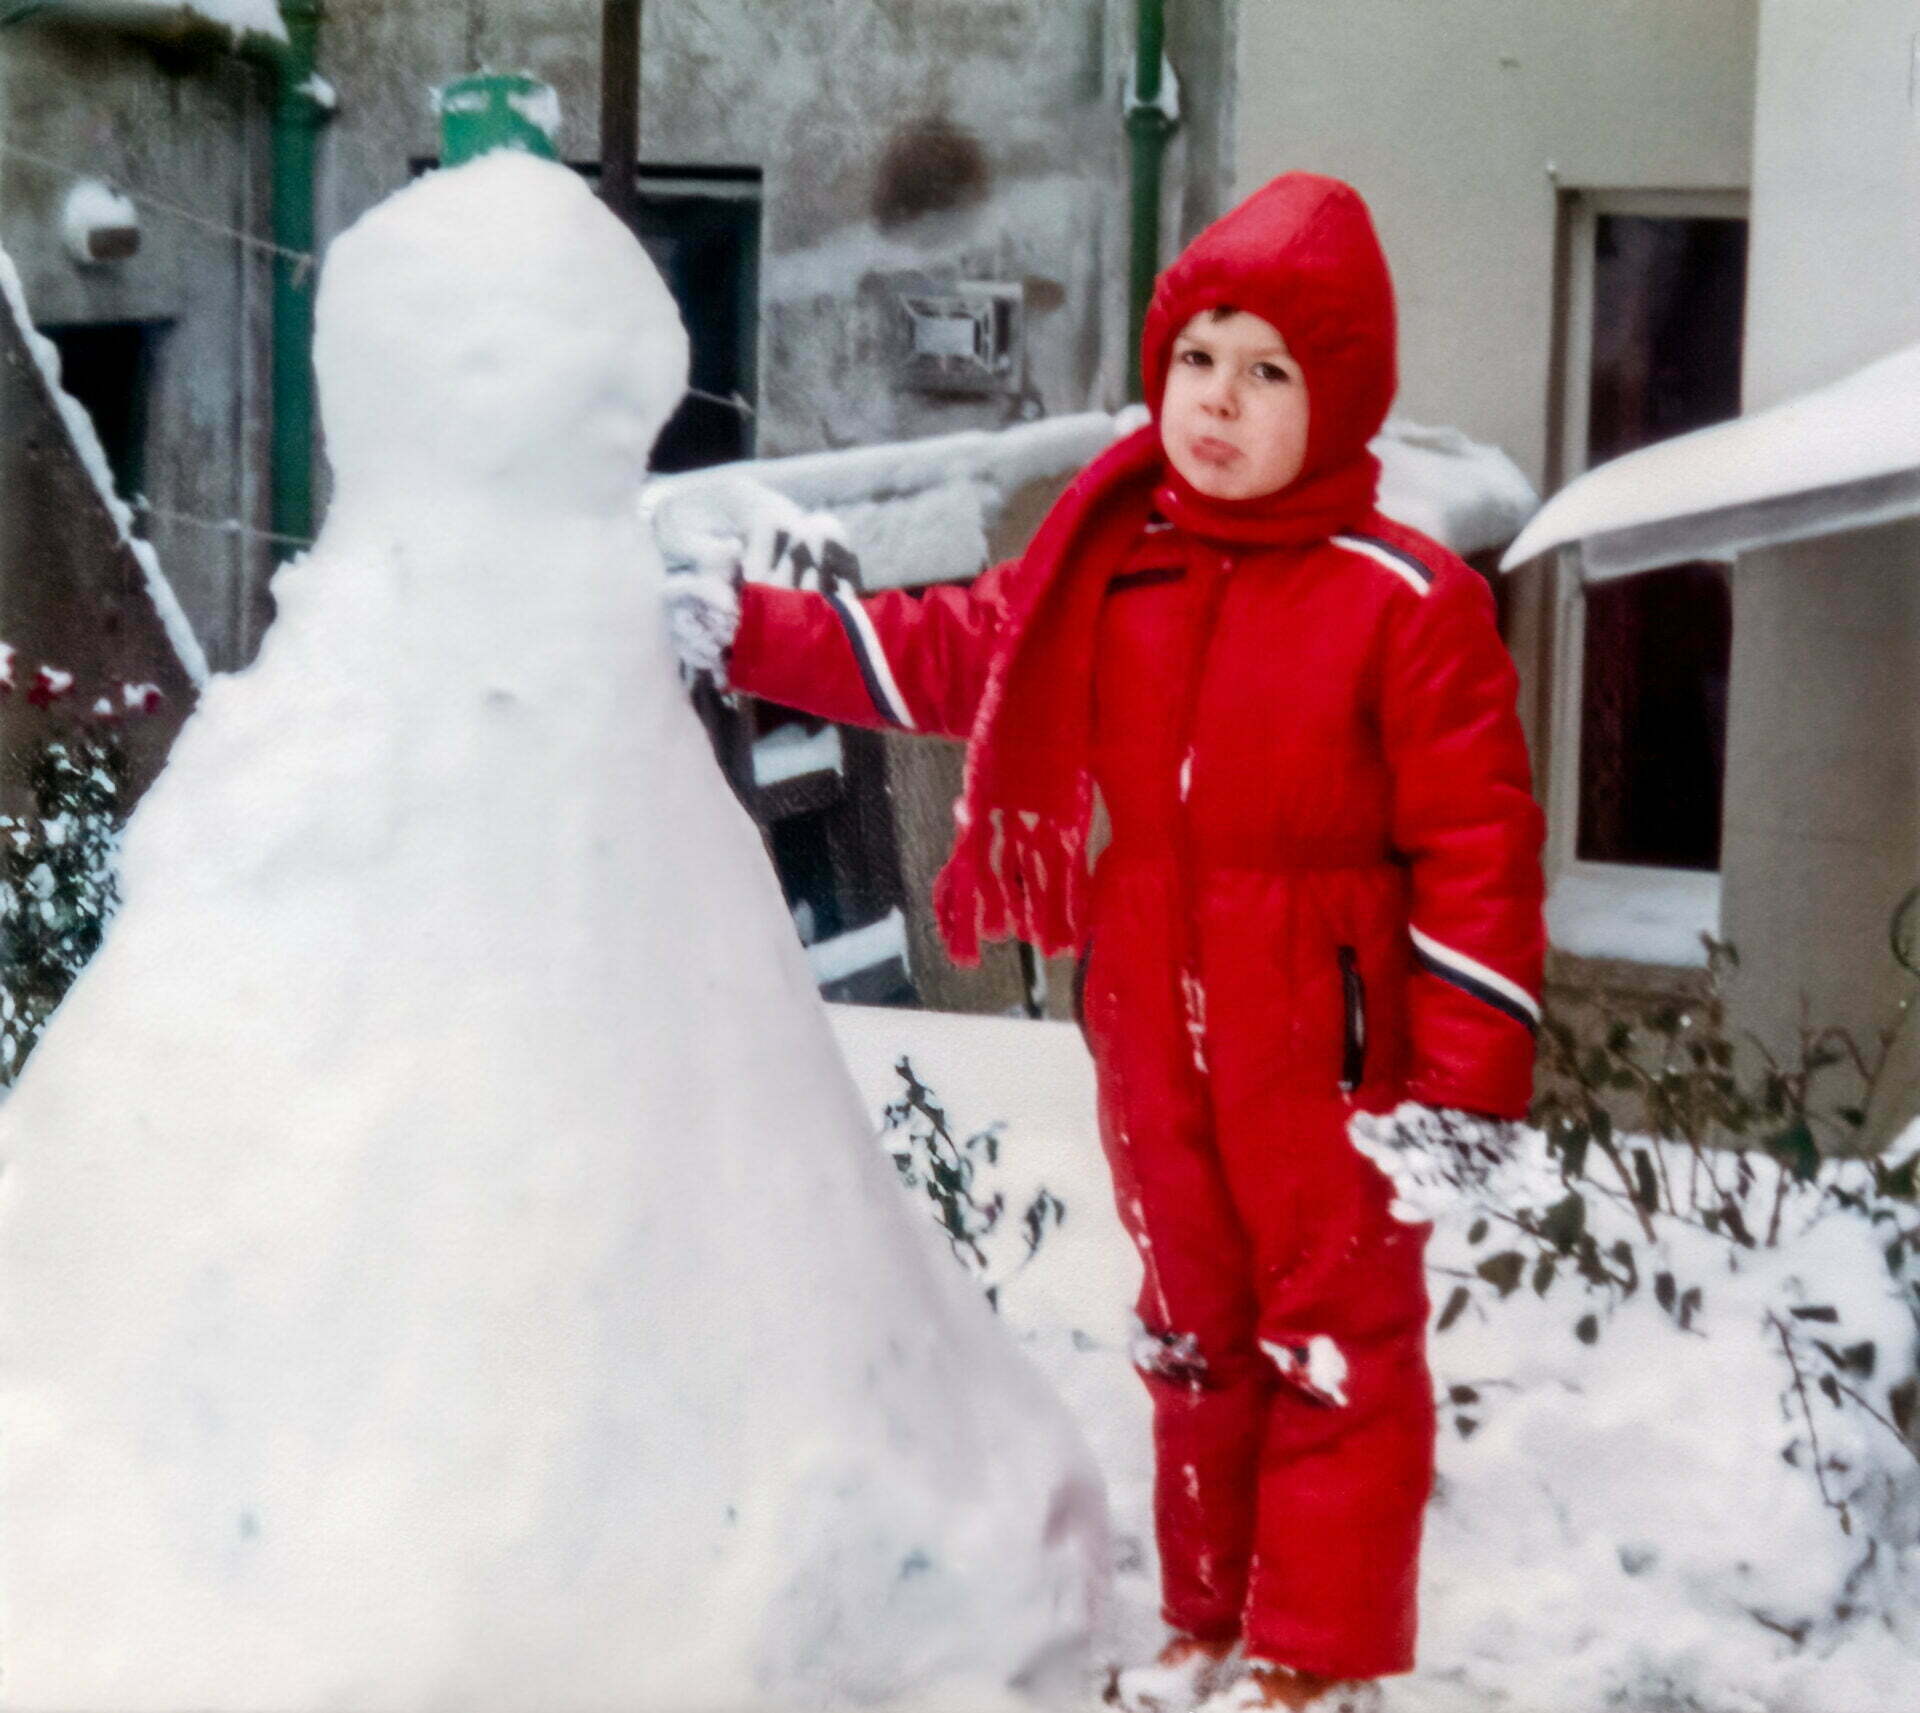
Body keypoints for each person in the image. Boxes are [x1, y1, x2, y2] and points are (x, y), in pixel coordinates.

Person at [653, 172, 1547, 1713]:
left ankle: (1314, 1661)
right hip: (1150, 1009)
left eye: (1270, 373)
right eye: (1200, 356)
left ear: (1338, 401)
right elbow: (950, 657)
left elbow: (1478, 851)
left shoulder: (1404, 601)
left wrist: (1465, 1081)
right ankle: (1208, 1617)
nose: (1219, 400)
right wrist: (746, 627)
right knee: (1190, 1327)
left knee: (1332, 1342)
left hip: (1331, 1040)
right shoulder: (1108, 560)